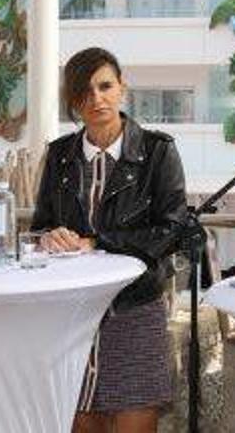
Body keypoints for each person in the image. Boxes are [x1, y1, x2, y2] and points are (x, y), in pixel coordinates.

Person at [32, 47, 187, 432]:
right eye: (84, 91)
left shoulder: (157, 152)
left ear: (122, 89)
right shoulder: (59, 156)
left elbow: (170, 230)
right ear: (72, 101)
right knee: (81, 423)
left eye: (105, 86)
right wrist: (50, 236)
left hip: (133, 309)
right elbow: (40, 227)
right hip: (71, 315)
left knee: (136, 423)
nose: (97, 98)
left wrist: (96, 242)